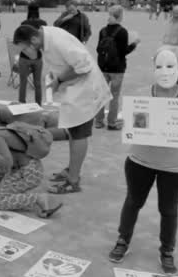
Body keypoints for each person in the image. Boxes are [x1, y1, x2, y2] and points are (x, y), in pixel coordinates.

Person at [108, 48, 178, 274]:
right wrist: (128, 125)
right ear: (154, 68)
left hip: (176, 167)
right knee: (133, 202)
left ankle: (167, 250)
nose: (165, 71)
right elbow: (131, 124)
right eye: (160, 66)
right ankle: (123, 240)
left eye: (171, 66)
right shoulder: (141, 95)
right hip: (140, 162)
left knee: (169, 209)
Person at [13, 25, 111, 194]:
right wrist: (55, 75)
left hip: (85, 90)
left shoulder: (57, 41)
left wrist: (59, 80)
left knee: (79, 133)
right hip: (76, 90)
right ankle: (71, 170)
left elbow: (83, 66)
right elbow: (65, 62)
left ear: (34, 40)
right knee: (73, 131)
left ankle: (73, 180)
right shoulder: (46, 38)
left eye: (25, 48)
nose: (26, 53)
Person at [0, 110, 64, 218]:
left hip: (29, 172)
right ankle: (10, 190)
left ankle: (39, 199)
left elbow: (7, 163)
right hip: (26, 168)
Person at [95, 5, 139, 130]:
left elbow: (98, 49)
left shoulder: (103, 31)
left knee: (101, 95)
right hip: (117, 69)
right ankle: (111, 122)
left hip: (103, 67)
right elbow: (123, 51)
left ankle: (98, 121)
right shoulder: (122, 31)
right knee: (114, 96)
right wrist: (134, 44)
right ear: (120, 16)